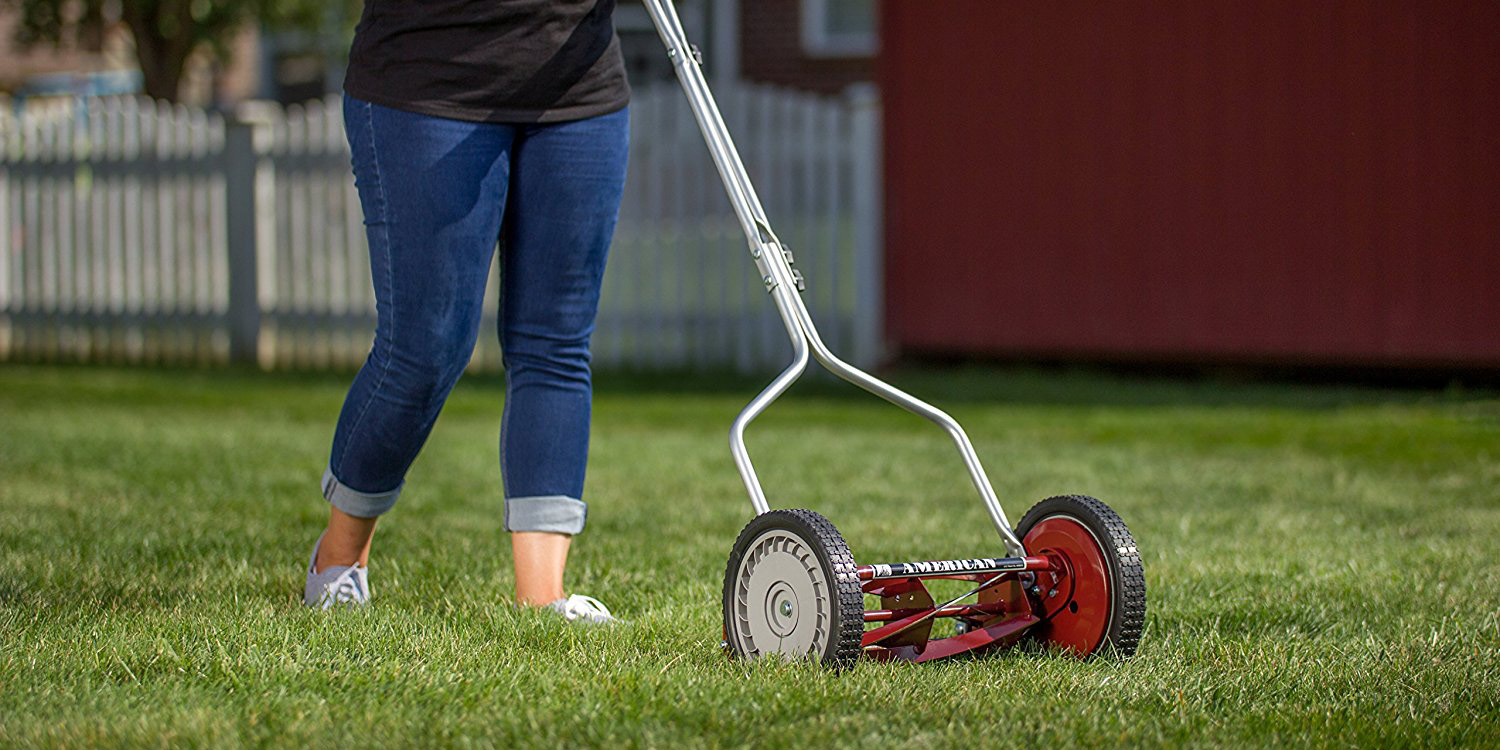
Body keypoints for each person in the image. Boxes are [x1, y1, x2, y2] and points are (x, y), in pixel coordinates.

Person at [300, 0, 630, 625]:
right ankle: (337, 562)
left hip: (577, 83)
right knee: (424, 349)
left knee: (556, 341)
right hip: (428, 79)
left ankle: (542, 599)